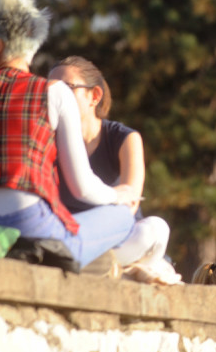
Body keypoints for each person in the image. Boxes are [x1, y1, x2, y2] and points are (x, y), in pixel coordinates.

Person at [0, 0, 136, 269]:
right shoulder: (55, 92)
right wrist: (119, 195)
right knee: (123, 218)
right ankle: (55, 255)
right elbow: (81, 188)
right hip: (31, 226)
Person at [47, 56, 180, 284]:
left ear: (94, 96)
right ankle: (126, 270)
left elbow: (131, 202)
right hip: (70, 237)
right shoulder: (47, 139)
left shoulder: (124, 138)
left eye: (67, 88)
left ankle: (107, 266)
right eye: (50, 90)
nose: (56, 96)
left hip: (117, 237)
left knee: (156, 229)